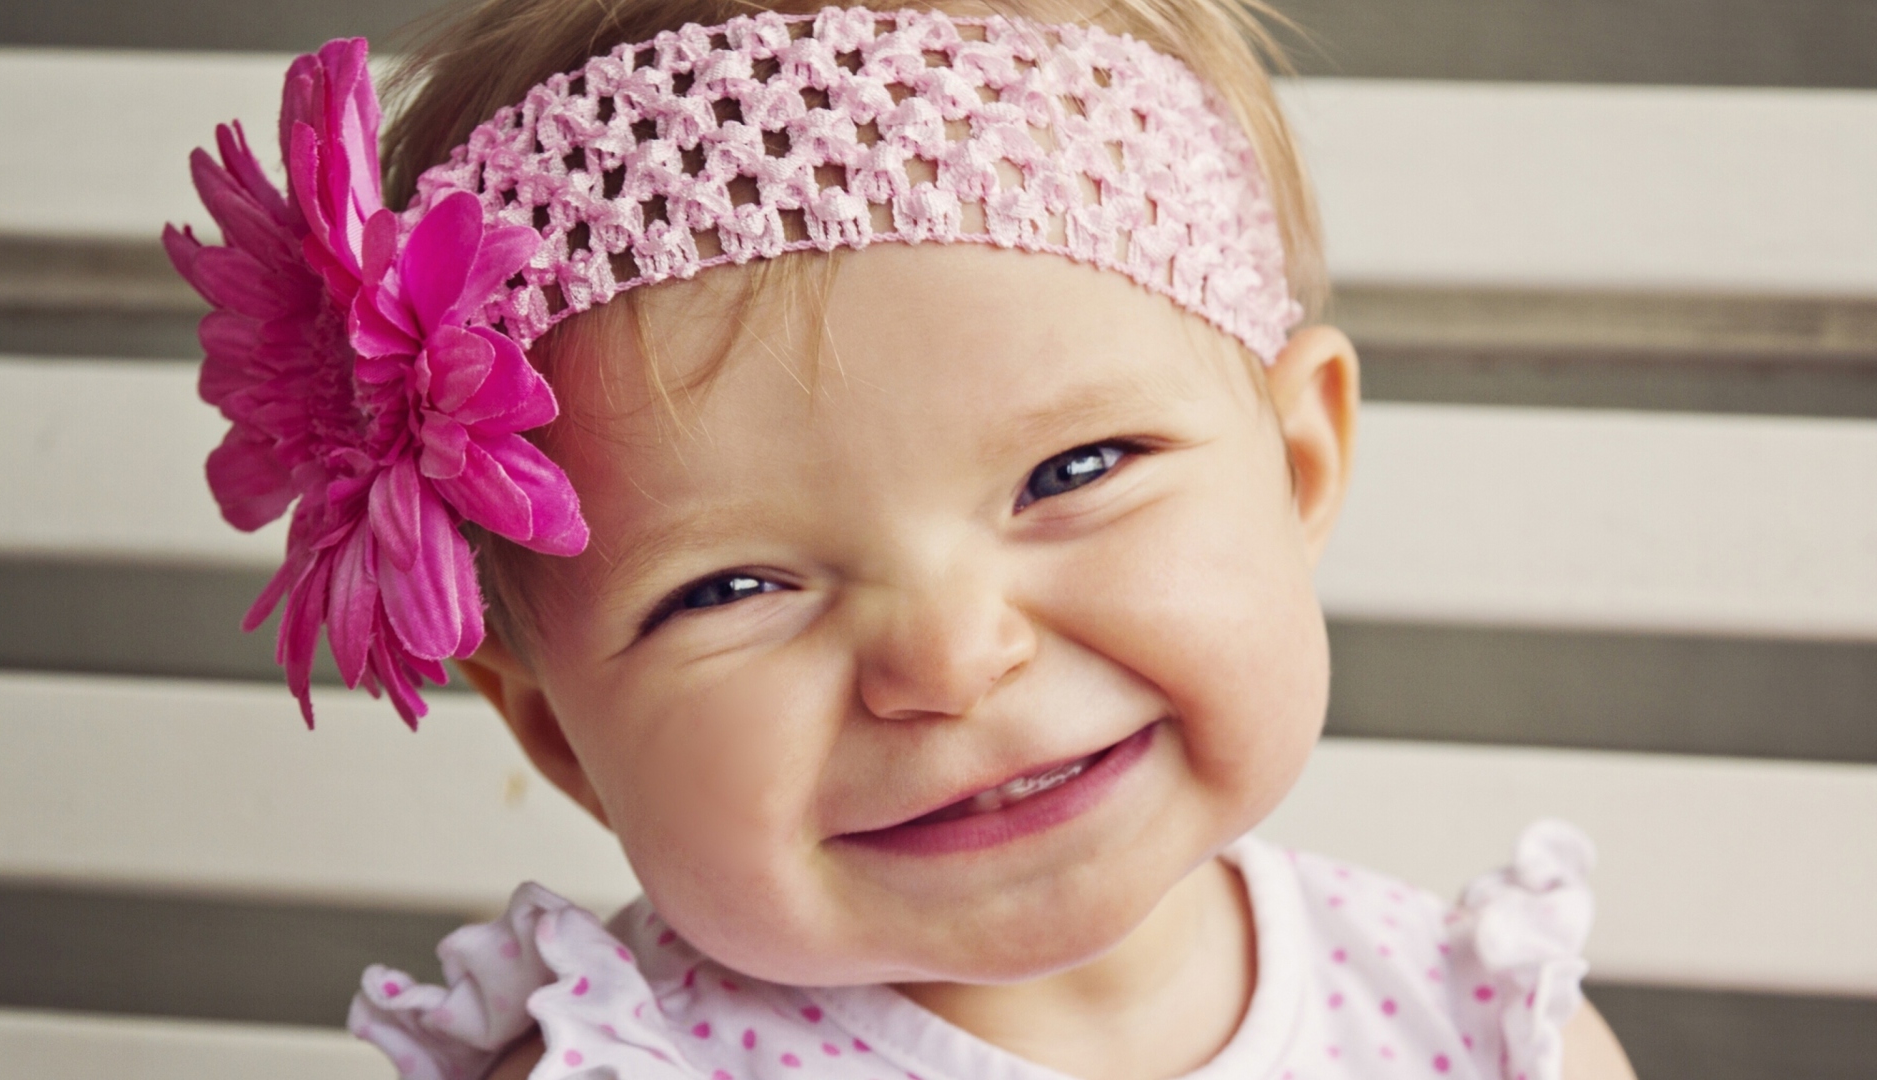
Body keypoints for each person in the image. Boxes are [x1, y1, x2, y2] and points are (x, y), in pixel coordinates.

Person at [165, 2, 1638, 1078]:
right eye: (731, 586)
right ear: (555, 732)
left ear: (1301, 462)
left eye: (1074, 468)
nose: (947, 658)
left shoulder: (1486, 1029)